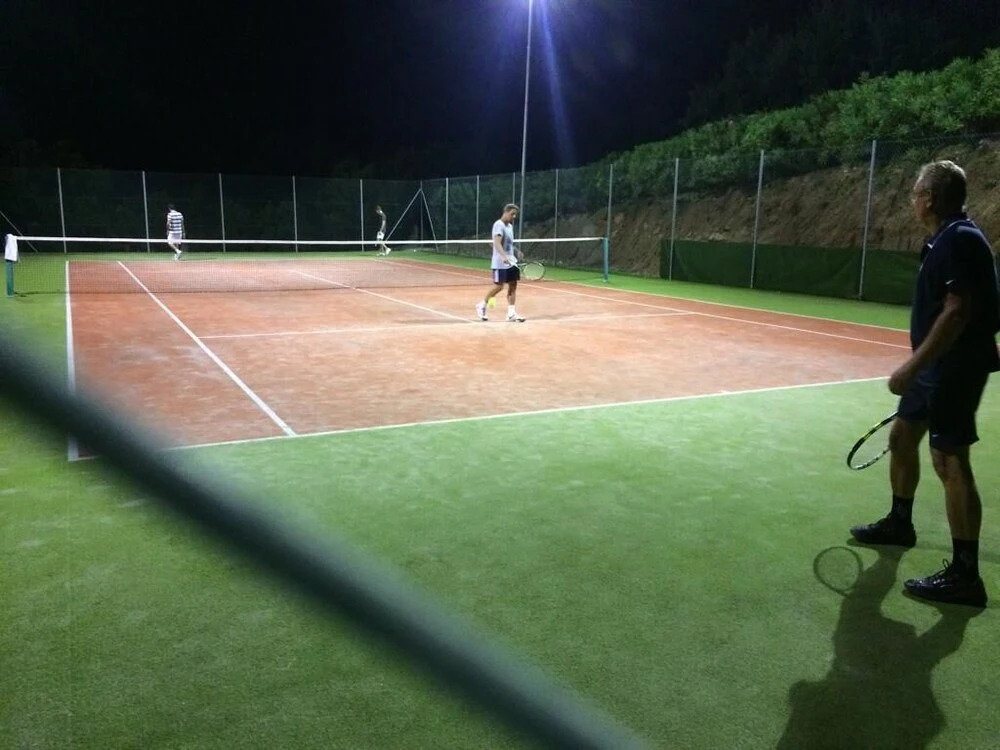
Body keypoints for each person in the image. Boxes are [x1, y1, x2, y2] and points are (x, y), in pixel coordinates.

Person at [850, 159, 999, 608]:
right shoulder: (942, 240)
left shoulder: (959, 239)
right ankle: (900, 523)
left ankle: (966, 575)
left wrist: (913, 367)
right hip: (934, 366)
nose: (912, 200)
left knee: (949, 460)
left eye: (916, 193)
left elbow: (958, 311)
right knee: (902, 437)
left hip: (954, 367)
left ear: (930, 199)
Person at [475, 203, 525, 322]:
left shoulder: (510, 227)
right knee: (499, 286)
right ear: (506, 212)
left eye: (515, 214)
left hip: (512, 261)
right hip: (500, 263)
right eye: (512, 214)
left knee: (513, 286)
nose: (514, 217)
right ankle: (482, 305)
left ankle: (511, 314)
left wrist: (517, 251)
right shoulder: (498, 225)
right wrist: (503, 257)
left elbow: (509, 244)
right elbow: (497, 243)